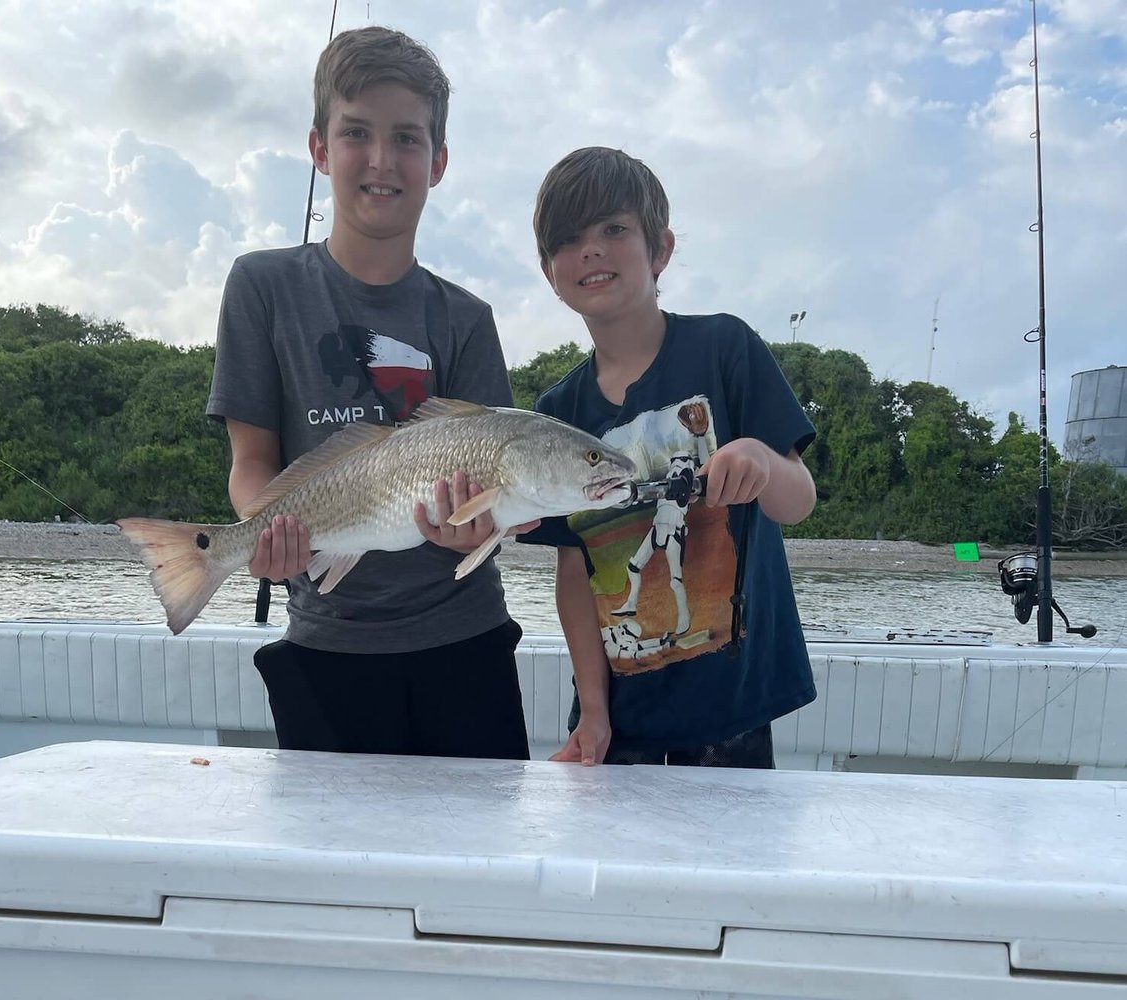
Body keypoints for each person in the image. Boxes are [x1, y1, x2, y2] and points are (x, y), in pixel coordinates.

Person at [206, 27, 533, 760]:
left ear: (438, 162)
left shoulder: (467, 319)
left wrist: (483, 527)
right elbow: (250, 459)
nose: (382, 159)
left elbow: (494, 501)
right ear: (319, 148)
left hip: (465, 642)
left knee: (477, 865)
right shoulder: (261, 286)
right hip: (326, 645)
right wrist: (263, 533)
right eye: (357, 132)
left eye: (407, 139)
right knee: (333, 872)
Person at [522, 146, 818, 768]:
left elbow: (800, 501)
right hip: (619, 721)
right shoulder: (557, 413)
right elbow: (573, 576)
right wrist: (594, 711)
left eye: (614, 229)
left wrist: (762, 460)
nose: (593, 250)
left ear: (661, 249)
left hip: (732, 708)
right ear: (550, 271)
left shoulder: (725, 347)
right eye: (570, 239)